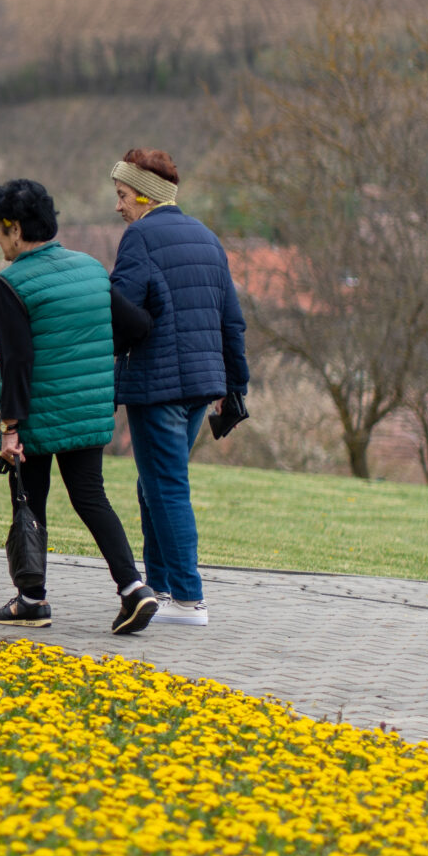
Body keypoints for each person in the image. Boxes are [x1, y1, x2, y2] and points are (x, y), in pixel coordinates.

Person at [0, 178, 160, 636]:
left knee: (30, 502)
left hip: (37, 413)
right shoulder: (91, 270)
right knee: (91, 498)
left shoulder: (11, 284)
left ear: (15, 230)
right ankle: (134, 589)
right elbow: (136, 326)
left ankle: (32, 600)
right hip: (90, 408)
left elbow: (16, 362)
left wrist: (10, 427)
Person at [109, 148, 249, 628]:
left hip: (157, 385)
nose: (119, 205)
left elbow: (120, 312)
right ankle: (164, 588)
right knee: (154, 486)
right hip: (199, 388)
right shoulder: (209, 239)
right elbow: (232, 321)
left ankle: (189, 600)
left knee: (165, 486)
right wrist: (236, 385)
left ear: (147, 195)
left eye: (123, 194)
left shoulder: (140, 237)